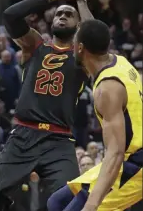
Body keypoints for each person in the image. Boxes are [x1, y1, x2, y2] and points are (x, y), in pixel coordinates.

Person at [0, 0, 94, 211]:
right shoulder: (35, 46)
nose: (62, 16)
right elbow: (10, 15)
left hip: (58, 139)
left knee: (70, 202)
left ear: (78, 24)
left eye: (69, 14)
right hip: (22, 135)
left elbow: (95, 37)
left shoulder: (82, 56)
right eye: (59, 13)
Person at [47, 19, 142, 211]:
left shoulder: (107, 89)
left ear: (80, 47)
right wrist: (82, 0)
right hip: (125, 159)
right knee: (56, 202)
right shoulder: (120, 61)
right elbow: (95, 31)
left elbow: (115, 153)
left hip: (134, 165)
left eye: (74, 40)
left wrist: (91, 205)